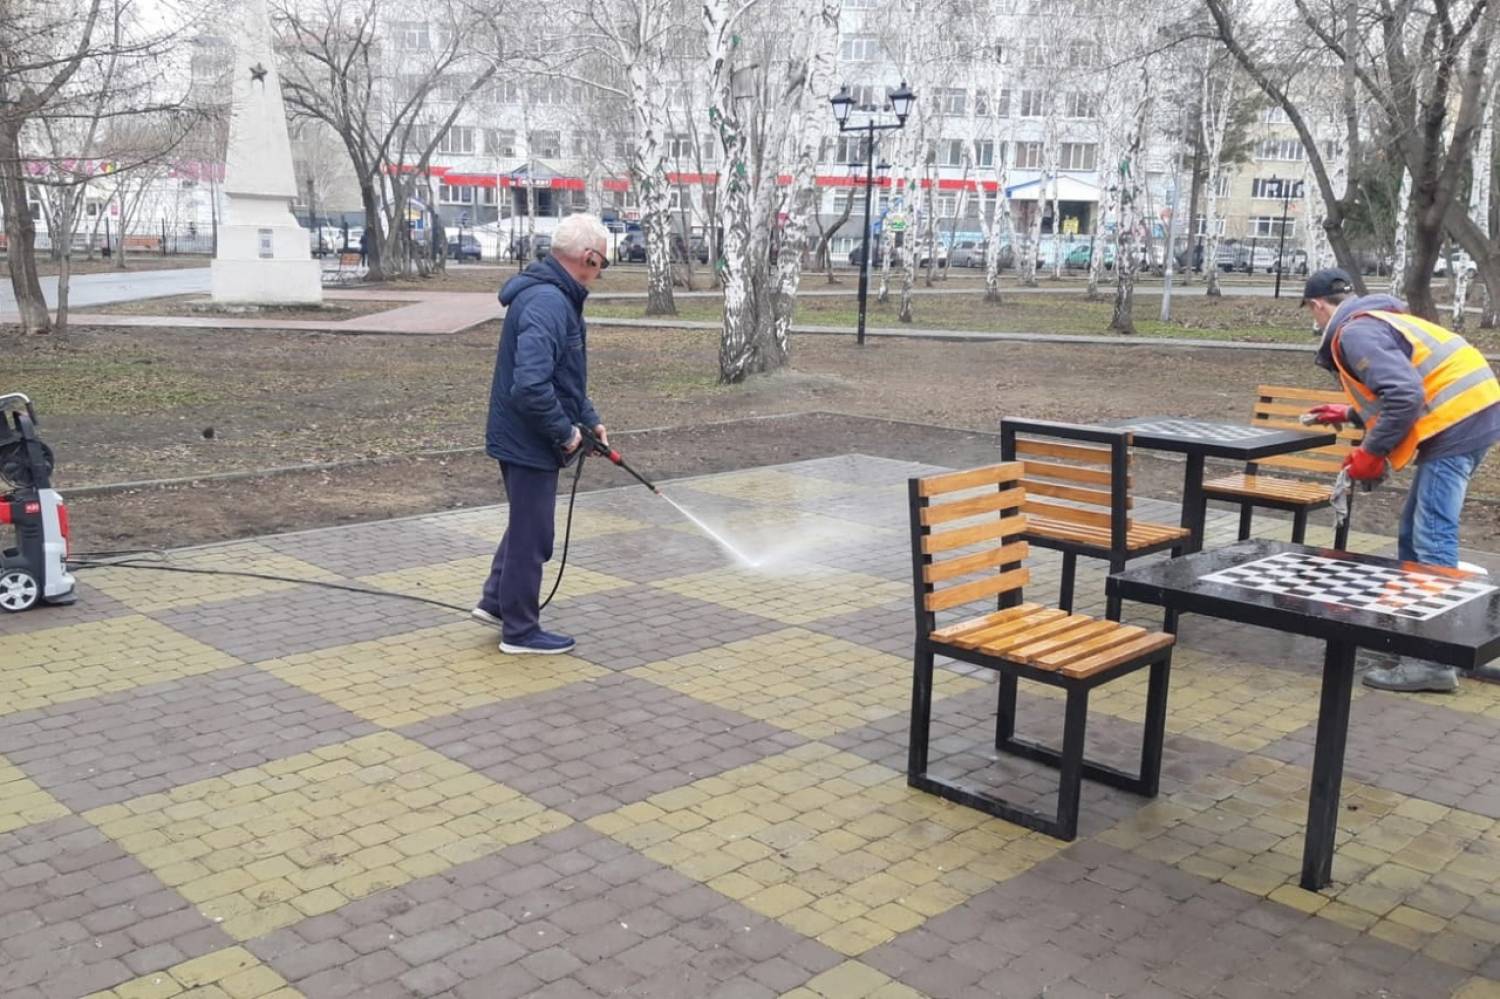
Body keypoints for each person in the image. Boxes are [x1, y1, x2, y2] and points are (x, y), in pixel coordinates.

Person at [1301, 267, 1500, 692]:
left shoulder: (1354, 333)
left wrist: (1371, 454)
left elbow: (1406, 395)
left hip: (1457, 424)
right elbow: (1408, 385)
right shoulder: (1378, 318)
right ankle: (1430, 643)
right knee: (1414, 532)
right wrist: (1351, 413)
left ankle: (1434, 662)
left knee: (1432, 537)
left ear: (1317, 306)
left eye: (1311, 312)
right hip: (1473, 412)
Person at [473, 214, 611, 654]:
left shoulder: (550, 296)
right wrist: (566, 433)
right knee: (533, 537)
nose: (601, 273)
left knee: (526, 526)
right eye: (603, 263)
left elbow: (562, 377)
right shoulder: (549, 302)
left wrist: (588, 420)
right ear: (589, 257)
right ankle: (520, 631)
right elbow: (531, 386)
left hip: (522, 435)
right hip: (527, 439)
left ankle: (496, 602)